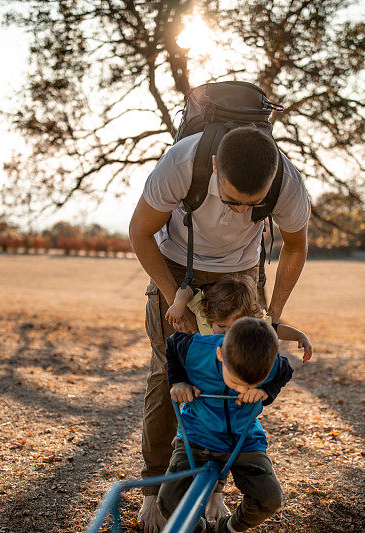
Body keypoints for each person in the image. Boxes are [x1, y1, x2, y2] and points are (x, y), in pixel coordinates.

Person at [129, 126, 310, 531]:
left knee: (237, 373)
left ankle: (214, 488)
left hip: (242, 272)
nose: (242, 212)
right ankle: (153, 490)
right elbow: (140, 232)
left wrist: (274, 315)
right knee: (168, 374)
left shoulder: (288, 183)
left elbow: (296, 246)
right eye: (231, 200)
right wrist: (175, 296)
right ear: (214, 167)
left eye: (254, 204)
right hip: (177, 264)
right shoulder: (181, 163)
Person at [158, 317, 292, 533]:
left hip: (243, 439)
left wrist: (266, 392)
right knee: (168, 502)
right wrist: (179, 381)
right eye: (237, 382)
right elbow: (173, 343)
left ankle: (227, 529)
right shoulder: (198, 349)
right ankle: (199, 529)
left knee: (269, 499)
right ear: (221, 354)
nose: (242, 389)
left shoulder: (271, 362)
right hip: (197, 435)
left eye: (251, 384)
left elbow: (286, 372)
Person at [167, 274, 313, 362]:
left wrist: (300, 336)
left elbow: (274, 329)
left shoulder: (251, 326)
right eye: (222, 326)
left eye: (235, 327)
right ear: (212, 318)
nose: (227, 333)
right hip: (206, 378)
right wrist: (178, 304)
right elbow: (188, 289)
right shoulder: (204, 314)